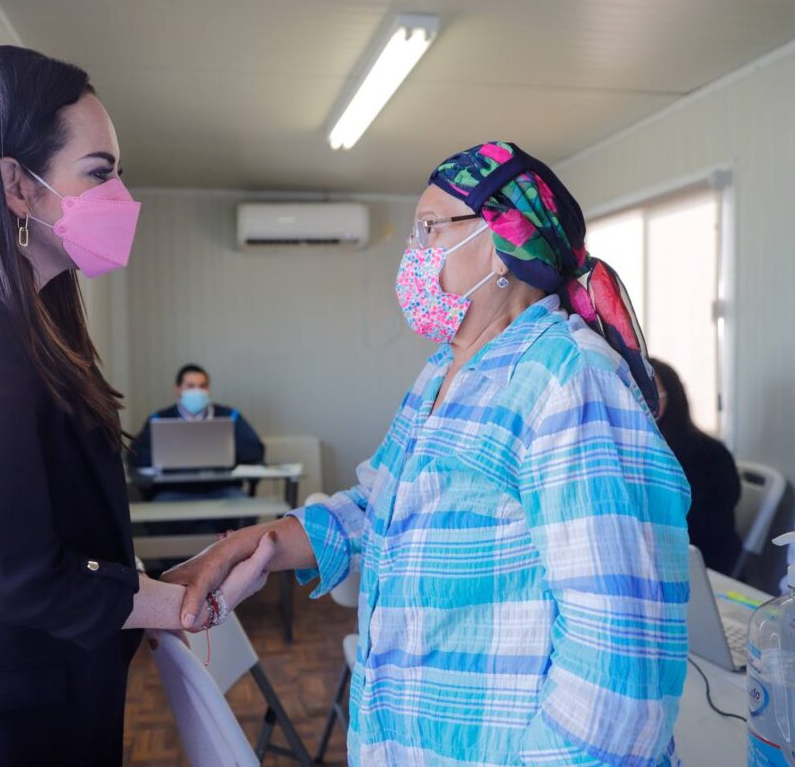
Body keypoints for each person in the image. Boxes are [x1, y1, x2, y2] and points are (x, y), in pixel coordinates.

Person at [164, 142, 692, 767]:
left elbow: (618, 662)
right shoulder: (445, 371)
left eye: (430, 229)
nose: (413, 253)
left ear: (500, 239)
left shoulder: (568, 380)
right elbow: (379, 505)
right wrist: (260, 544)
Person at [0, 46, 274, 767]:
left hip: (19, 699)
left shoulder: (14, 319)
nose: (121, 197)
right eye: (99, 173)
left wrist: (164, 588)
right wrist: (183, 601)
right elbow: (17, 571)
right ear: (18, 184)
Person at [651, 357, 742, 573]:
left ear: (672, 396)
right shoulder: (651, 449)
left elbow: (704, 531)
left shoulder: (704, 453)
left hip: (700, 566)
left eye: (650, 395)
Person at [130, 363, 266, 500]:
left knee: (241, 503)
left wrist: (227, 453)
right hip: (173, 489)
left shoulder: (230, 416)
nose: (197, 391)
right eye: (190, 386)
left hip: (222, 487)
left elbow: (255, 449)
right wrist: (166, 458)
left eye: (202, 386)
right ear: (178, 390)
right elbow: (136, 454)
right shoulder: (159, 419)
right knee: (161, 505)